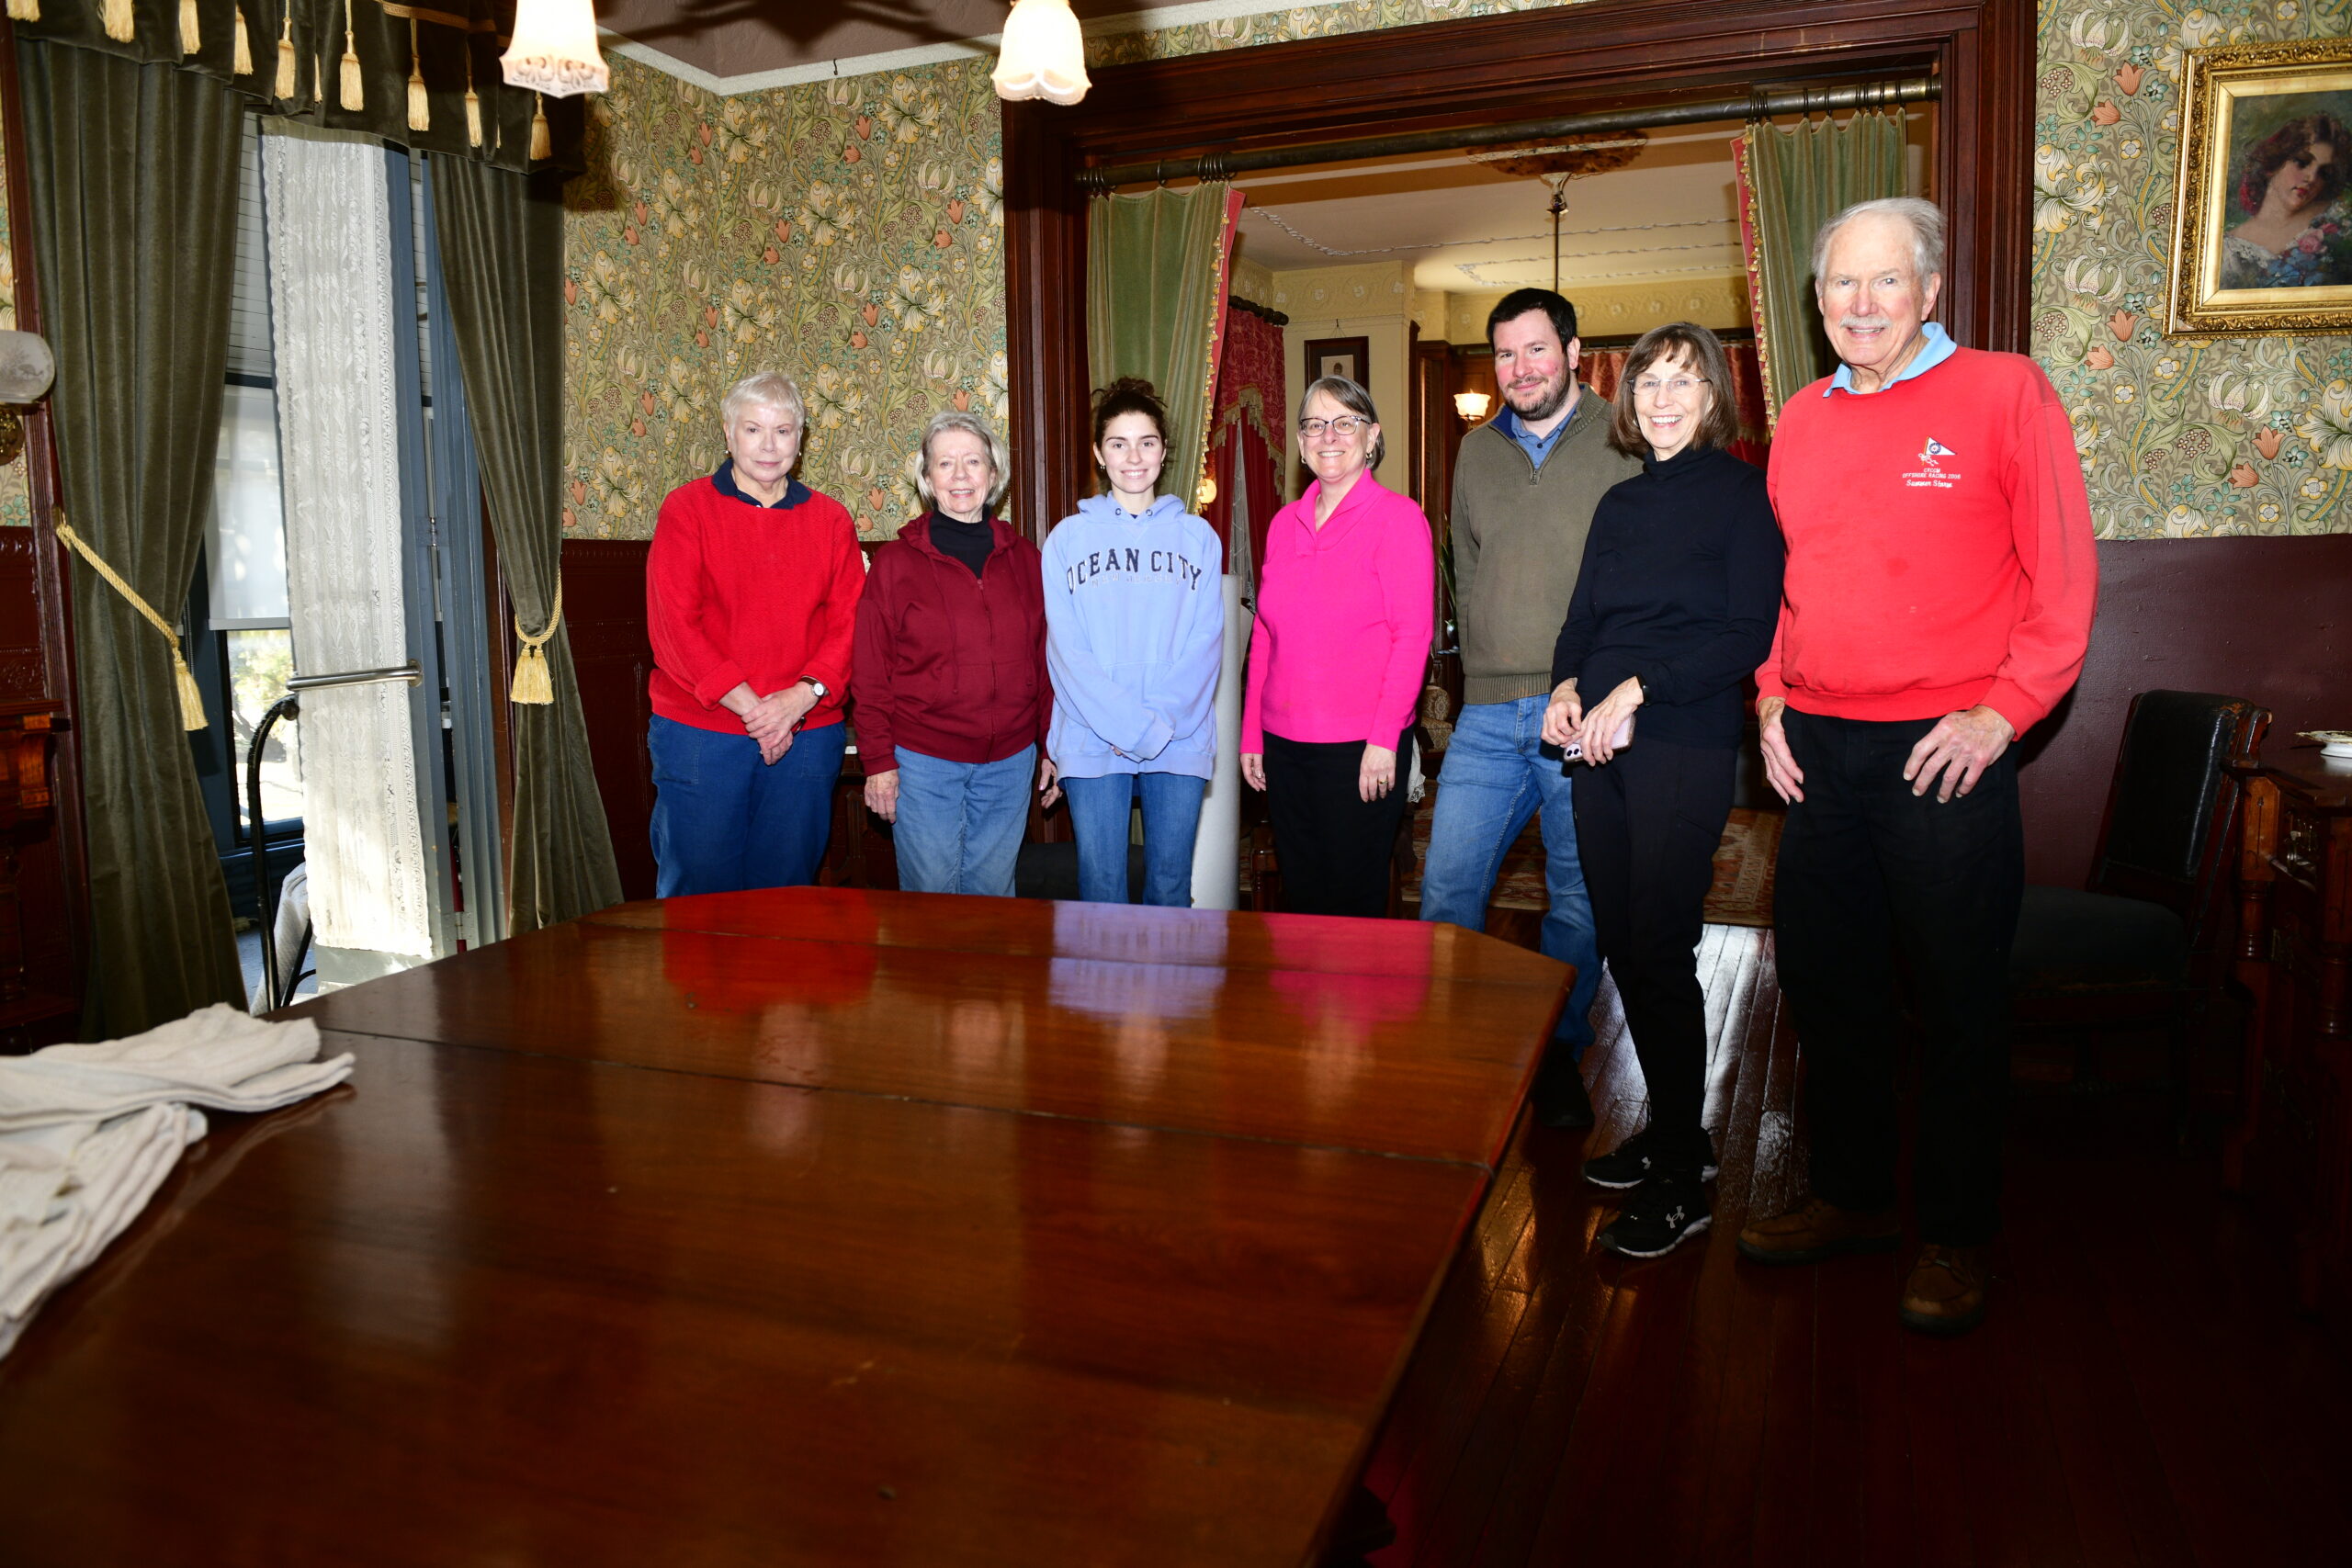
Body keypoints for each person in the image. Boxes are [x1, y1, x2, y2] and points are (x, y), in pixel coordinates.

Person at [1736, 197, 2098, 1336]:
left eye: (1884, 281)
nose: (1859, 304)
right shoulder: (1798, 418)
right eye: (1839, 285)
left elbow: (2062, 581)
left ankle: (1953, 1233)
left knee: (1955, 1003)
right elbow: (1796, 588)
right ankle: (1851, 1198)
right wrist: (1769, 695)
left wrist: (2002, 717)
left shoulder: (2005, 392)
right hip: (1819, 755)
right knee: (1828, 990)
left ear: (1929, 291)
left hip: (1947, 751)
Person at [1541, 322, 1783, 1259]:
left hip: (1678, 737)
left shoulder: (1741, 497)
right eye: (1648, 382)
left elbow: (1744, 633)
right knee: (1623, 944)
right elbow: (1581, 621)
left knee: (1659, 941)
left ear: (1713, 397)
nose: (1663, 398)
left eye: (1683, 381)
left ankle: (1682, 1176)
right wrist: (1568, 688)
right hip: (1596, 744)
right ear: (1628, 399)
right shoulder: (1616, 505)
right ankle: (1677, 1135)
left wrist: (1637, 691)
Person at [1418, 288, 1643, 1129]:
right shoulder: (1476, 451)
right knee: (1447, 885)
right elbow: (1464, 562)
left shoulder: (1624, 439)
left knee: (1576, 899)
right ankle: (1462, 1044)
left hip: (1579, 711)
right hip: (1486, 714)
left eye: (1536, 350)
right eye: (1505, 355)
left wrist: (1603, 683)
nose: (1520, 369)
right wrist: (1478, 659)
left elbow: (1635, 573)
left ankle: (1554, 1047)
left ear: (1573, 351)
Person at [646, 370, 865, 897]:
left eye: (784, 431)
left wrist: (797, 701)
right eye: (753, 430)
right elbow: (676, 626)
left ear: (801, 438)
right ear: (728, 433)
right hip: (702, 733)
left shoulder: (832, 520)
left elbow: (850, 625)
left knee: (786, 894)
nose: (769, 445)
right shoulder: (687, 509)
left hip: (807, 733)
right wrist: (757, 711)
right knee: (697, 894)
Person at [1239, 377, 1432, 918]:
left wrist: (1385, 741)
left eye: (1345, 422)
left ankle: (1357, 1004)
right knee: (1301, 895)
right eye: (1315, 425)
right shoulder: (1282, 524)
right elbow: (1265, 634)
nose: (1330, 436)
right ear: (1301, 444)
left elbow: (1411, 637)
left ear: (1371, 437)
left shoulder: (1398, 519)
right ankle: (1304, 1003)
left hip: (1360, 748)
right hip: (1283, 744)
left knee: (1351, 903)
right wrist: (1251, 731)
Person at [853, 411, 1057, 897]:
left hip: (1010, 763)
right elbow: (870, 671)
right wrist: (879, 762)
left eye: (974, 461)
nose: (961, 476)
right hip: (924, 763)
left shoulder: (1027, 559)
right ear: (927, 478)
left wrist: (1052, 744)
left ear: (994, 474)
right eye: (946, 464)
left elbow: (1049, 662)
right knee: (932, 906)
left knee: (993, 903)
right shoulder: (895, 565)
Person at [1042, 378, 1225, 906]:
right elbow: (1067, 654)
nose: (1133, 457)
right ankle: (1104, 993)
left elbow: (1205, 645)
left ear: (1164, 451)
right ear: (1100, 454)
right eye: (1118, 444)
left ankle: (1168, 992)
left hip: (1178, 735)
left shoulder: (1199, 539)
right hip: (1093, 736)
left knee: (1170, 888)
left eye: (1146, 442)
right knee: (1102, 891)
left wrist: (1154, 726)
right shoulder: (1066, 539)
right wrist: (1127, 725)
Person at [2220, 112, 2350, 290]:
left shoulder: (2331, 230)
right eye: (2302, 162)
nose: (2312, 178)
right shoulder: (2227, 251)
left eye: (2323, 173)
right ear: (2273, 165)